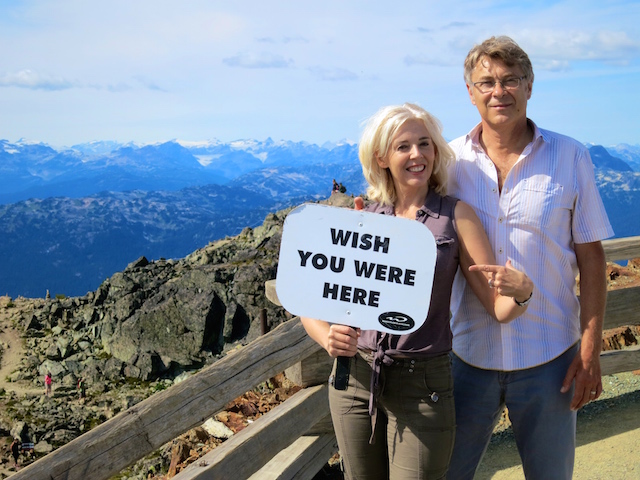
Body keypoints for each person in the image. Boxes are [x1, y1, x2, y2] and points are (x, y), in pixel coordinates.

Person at [301, 103, 533, 479]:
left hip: (424, 386)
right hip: (354, 379)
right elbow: (310, 300)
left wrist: (522, 292)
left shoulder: (456, 216)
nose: (417, 154)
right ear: (381, 157)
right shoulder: (363, 217)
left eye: (425, 144)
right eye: (403, 146)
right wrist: (327, 335)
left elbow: (498, 307)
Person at [446, 36, 613, 480]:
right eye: (486, 82)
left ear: (529, 86)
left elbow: (592, 256)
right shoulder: (448, 161)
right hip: (467, 355)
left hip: (551, 357)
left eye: (510, 80)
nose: (498, 91)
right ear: (470, 92)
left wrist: (591, 345)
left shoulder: (570, 155)